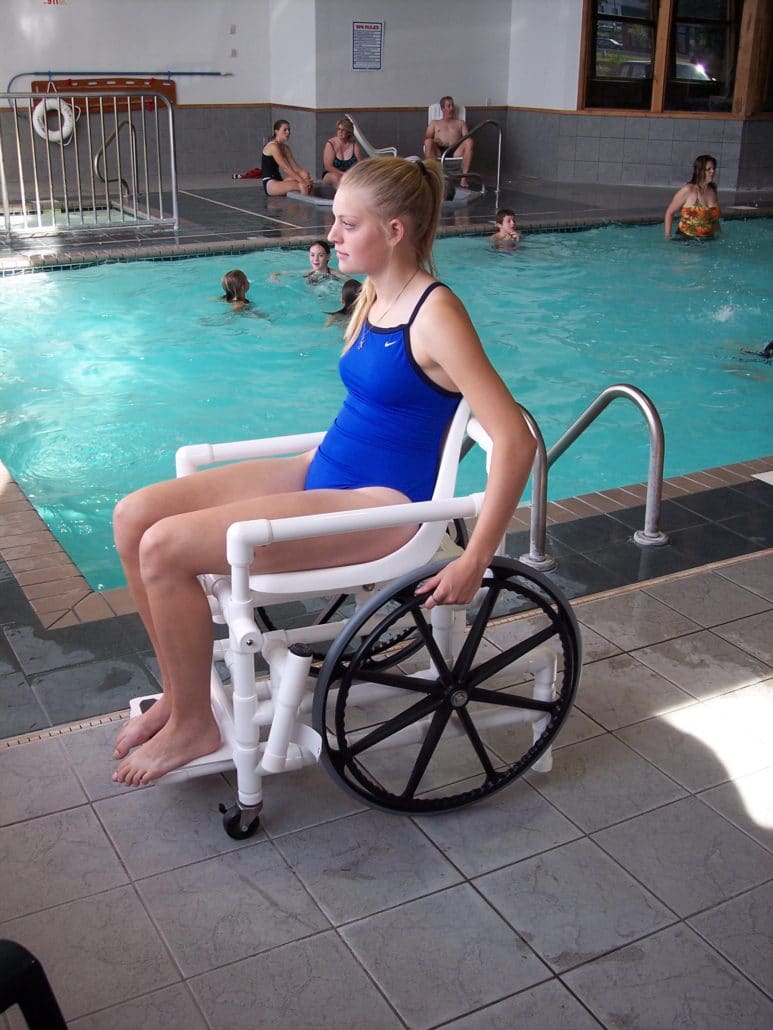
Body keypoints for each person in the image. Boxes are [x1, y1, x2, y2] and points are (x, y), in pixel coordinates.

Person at [111, 156, 536, 786]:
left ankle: (196, 725)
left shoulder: (436, 313)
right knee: (134, 516)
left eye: (346, 223)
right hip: (324, 467)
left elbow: (516, 438)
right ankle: (181, 697)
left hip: (382, 506)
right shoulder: (373, 293)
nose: (331, 235)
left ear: (394, 230)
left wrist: (475, 557)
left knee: (165, 548)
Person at [664, 155, 721, 239]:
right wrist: (667, 236)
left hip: (708, 239)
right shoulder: (688, 190)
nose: (712, 171)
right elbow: (669, 212)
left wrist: (719, 236)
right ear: (700, 171)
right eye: (708, 169)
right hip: (686, 239)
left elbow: (714, 218)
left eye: (713, 168)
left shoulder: (712, 190)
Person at [424, 96, 473, 188]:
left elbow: (467, 137)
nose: (452, 108)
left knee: (469, 141)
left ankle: (464, 178)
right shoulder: (434, 123)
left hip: (455, 151)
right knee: (428, 142)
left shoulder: (460, 123)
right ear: (442, 108)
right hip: (439, 150)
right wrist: (435, 140)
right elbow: (426, 138)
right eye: (449, 106)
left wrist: (462, 141)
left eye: (453, 106)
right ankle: (430, 177)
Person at [261, 120, 314, 197]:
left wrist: (306, 178)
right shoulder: (273, 146)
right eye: (285, 130)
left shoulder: (285, 148)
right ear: (276, 131)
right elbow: (286, 168)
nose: (288, 132)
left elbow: (296, 168)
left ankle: (311, 200)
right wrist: (302, 181)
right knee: (302, 185)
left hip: (279, 180)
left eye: (289, 130)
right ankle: (305, 207)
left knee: (305, 175)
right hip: (270, 183)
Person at [270, 240, 344, 283]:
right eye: (312, 255)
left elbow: (353, 284)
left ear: (328, 256)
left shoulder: (336, 275)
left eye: (320, 255)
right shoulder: (308, 273)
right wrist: (274, 276)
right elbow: (278, 273)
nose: (315, 259)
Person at [322, 118, 364, 190]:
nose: (340, 132)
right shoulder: (331, 144)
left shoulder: (354, 145)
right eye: (339, 129)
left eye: (343, 130)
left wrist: (353, 175)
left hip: (349, 175)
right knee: (337, 178)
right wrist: (342, 174)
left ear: (348, 132)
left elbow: (361, 165)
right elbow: (328, 167)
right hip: (331, 174)